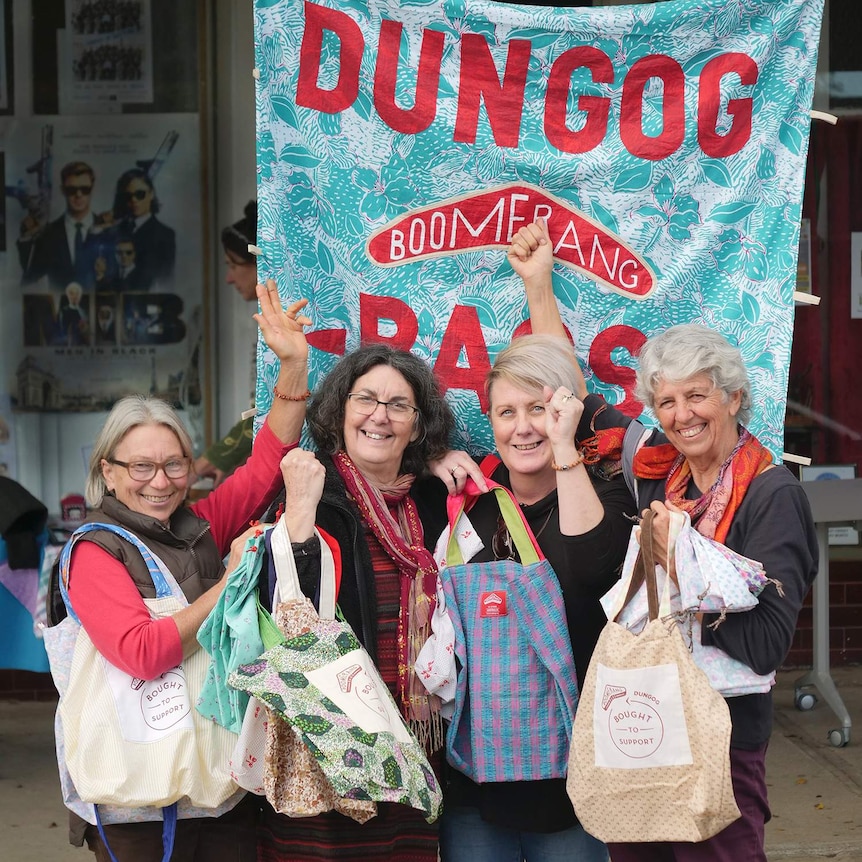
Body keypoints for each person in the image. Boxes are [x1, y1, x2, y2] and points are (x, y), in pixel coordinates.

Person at [511, 221, 819, 862]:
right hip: (644, 723)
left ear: (735, 398)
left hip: (723, 737)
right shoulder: (655, 469)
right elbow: (566, 396)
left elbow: (765, 646)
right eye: (668, 402)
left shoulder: (771, 495)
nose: (683, 415)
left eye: (698, 396)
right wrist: (539, 288)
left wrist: (679, 578)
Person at [57, 278, 311, 861]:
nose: (160, 481)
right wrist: (228, 584)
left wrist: (293, 367)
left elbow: (266, 465)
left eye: (174, 465)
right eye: (142, 466)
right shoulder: (97, 550)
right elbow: (143, 652)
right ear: (110, 471)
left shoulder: (197, 524)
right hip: (140, 800)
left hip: (214, 789)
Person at [436, 329, 634, 862]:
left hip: (570, 782)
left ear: (565, 413)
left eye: (539, 409)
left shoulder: (607, 490)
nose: (523, 428)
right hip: (474, 782)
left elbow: (588, 565)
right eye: (506, 412)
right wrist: (433, 461)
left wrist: (566, 449)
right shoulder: (464, 506)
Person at [260, 343, 463, 862]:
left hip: (415, 746)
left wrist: (446, 460)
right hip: (331, 742)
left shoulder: (435, 503)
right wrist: (300, 514)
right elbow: (281, 609)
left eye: (400, 406)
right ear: (340, 412)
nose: (380, 416)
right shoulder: (309, 490)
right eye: (366, 399)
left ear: (418, 427)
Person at [193, 202, 260, 487]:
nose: (228, 278)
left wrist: (204, 464)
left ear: (261, 263)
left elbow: (266, 413)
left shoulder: (284, 325)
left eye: (234, 265)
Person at [17, 161, 112, 290]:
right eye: (72, 190)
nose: (78, 195)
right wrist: (26, 237)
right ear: (63, 190)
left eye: (84, 189)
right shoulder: (47, 234)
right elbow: (29, 278)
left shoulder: (109, 231)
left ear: (92, 188)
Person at [112, 168, 175, 288]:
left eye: (140, 194)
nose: (134, 200)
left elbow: (164, 280)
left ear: (151, 194)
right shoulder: (115, 231)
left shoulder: (165, 235)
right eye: (128, 196)